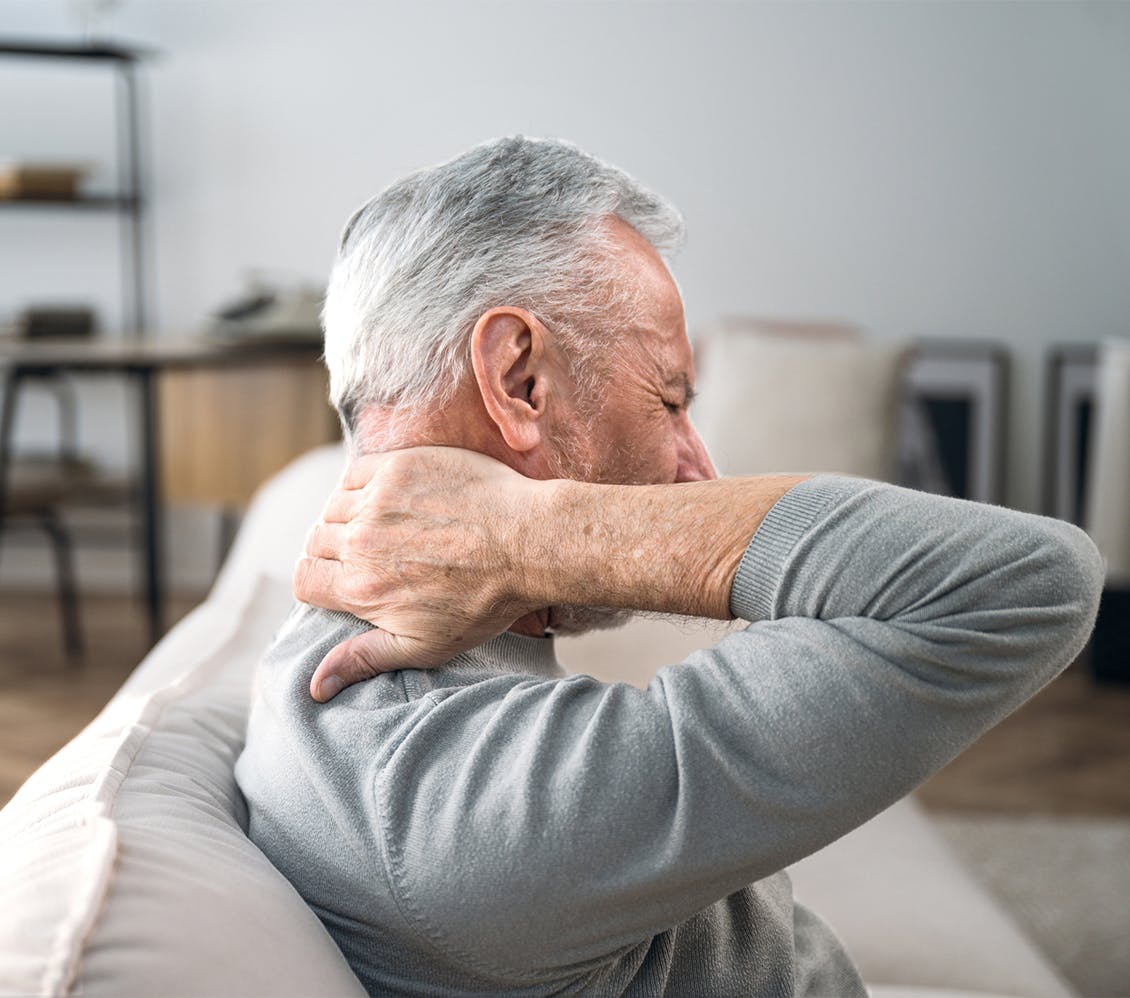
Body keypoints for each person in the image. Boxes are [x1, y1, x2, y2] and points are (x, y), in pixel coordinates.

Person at [235, 137, 1103, 997]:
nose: (699, 472)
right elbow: (1028, 582)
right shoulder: (446, 803)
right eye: (669, 401)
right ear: (520, 381)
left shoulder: (363, 687)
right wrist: (521, 533)